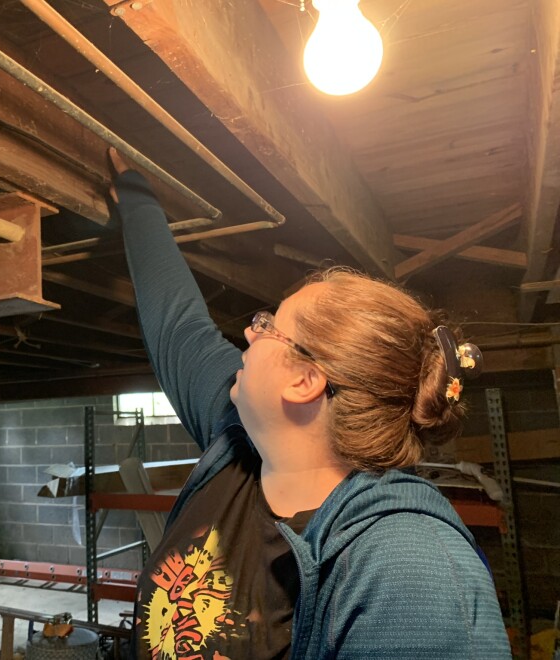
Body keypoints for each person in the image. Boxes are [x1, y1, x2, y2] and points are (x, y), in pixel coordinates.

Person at [107, 148, 511, 659]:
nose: (250, 335)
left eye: (268, 325)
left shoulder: (411, 570)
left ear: (304, 381)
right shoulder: (237, 443)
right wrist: (138, 199)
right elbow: (178, 324)